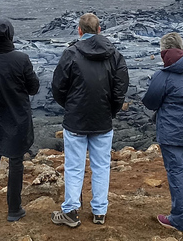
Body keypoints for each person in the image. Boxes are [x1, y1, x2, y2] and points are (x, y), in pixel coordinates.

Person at [50, 13, 129, 228]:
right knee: (101, 166)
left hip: (76, 119)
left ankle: (71, 210)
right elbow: (120, 88)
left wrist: (70, 106)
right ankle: (99, 212)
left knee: (74, 167)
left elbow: (58, 86)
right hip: (102, 119)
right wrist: (110, 110)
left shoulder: (71, 53)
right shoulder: (114, 55)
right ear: (100, 29)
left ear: (79, 31)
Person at [0, 19, 40, 222]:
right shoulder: (21, 59)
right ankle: (14, 209)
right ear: (10, 35)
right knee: (16, 160)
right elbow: (33, 88)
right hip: (18, 116)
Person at [142, 32, 183, 232]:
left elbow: (151, 101)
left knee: (178, 172)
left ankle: (180, 219)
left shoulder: (163, 76)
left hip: (172, 133)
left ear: (164, 53)